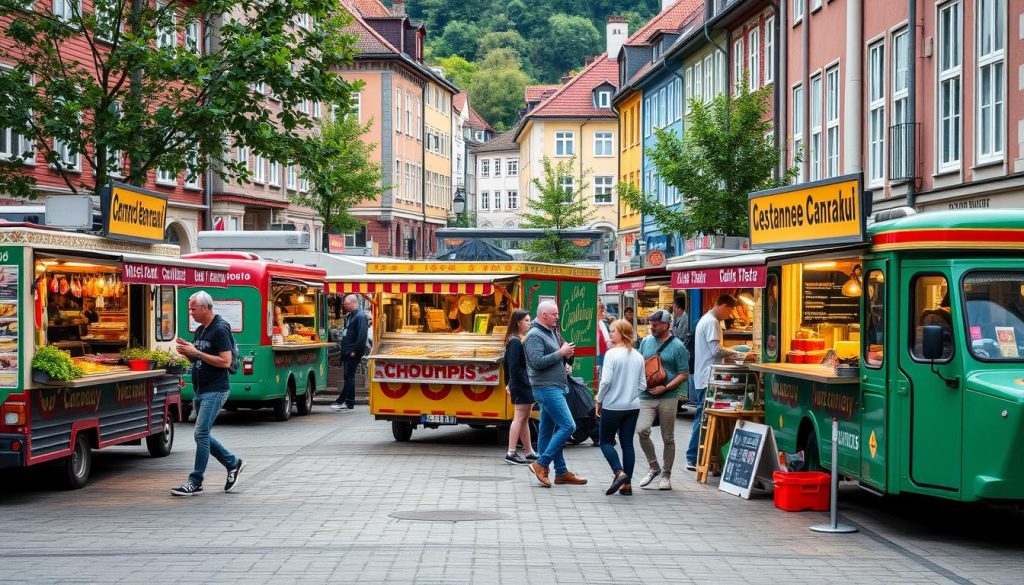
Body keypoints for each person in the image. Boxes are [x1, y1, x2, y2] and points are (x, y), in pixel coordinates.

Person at [171, 291, 245, 496]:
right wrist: (188, 353)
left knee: (200, 433)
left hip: (216, 389)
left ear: (206, 308)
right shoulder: (201, 330)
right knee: (202, 435)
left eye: (193, 309)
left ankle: (195, 481)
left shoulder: (220, 329)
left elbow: (225, 361)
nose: (191, 313)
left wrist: (197, 352)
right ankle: (233, 463)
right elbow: (198, 359)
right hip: (201, 389)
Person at [524, 300, 587, 488]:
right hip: (546, 388)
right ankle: (541, 464)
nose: (557, 318)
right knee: (568, 426)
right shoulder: (534, 334)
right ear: (544, 315)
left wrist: (566, 358)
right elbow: (536, 362)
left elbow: (558, 354)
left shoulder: (551, 331)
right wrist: (561, 353)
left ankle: (561, 472)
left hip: (555, 386)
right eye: (555, 315)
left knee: (546, 431)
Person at [685, 294, 750, 471]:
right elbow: (716, 350)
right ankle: (692, 457)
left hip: (704, 376)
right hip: (707, 377)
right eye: (730, 310)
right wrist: (740, 354)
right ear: (723, 306)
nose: (730, 315)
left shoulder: (707, 320)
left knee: (702, 416)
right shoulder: (712, 322)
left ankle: (700, 457)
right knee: (703, 417)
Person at [636, 309, 689, 490]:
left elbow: (684, 374)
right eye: (651, 324)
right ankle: (654, 467)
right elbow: (640, 364)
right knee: (642, 430)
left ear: (667, 325)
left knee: (668, 437)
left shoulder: (678, 347)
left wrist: (666, 387)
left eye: (656, 325)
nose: (652, 327)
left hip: (668, 396)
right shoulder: (646, 341)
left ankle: (666, 474)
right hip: (646, 395)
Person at [596, 319, 646, 496]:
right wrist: (631, 394)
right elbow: (643, 385)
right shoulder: (638, 356)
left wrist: (599, 400)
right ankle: (627, 485)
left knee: (606, 441)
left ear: (622, 334)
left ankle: (619, 472)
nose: (610, 334)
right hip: (632, 406)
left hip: (613, 405)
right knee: (627, 444)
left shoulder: (612, 354)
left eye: (613, 331)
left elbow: (605, 381)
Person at [503, 310, 538, 465]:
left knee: (524, 418)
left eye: (529, 320)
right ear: (518, 322)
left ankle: (529, 451)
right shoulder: (516, 342)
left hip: (521, 383)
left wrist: (508, 382)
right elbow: (513, 366)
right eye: (526, 320)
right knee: (519, 417)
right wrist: (515, 382)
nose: (529, 323)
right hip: (522, 384)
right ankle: (511, 452)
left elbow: (507, 365)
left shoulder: (516, 340)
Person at [333, 294, 367, 411]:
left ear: (354, 303)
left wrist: (355, 351)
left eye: (347, 304)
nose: (345, 306)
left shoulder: (360, 316)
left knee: (349, 376)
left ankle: (344, 401)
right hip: (348, 351)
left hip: (352, 352)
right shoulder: (351, 315)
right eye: (345, 304)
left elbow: (362, 336)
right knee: (348, 376)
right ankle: (348, 402)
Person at [596, 301, 612, 368]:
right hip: (597, 356)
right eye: (601, 311)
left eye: (604, 311)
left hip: (603, 354)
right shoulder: (594, 323)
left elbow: (606, 338)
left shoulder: (601, 322)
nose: (603, 313)